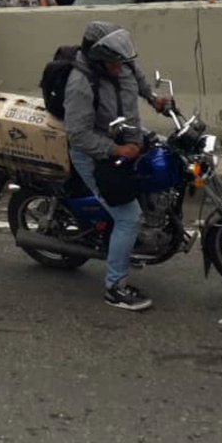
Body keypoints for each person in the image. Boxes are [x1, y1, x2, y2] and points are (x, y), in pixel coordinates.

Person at [64, 21, 168, 312]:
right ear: (98, 61)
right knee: (128, 218)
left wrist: (155, 99)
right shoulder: (80, 84)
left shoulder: (122, 63)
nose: (119, 67)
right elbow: (78, 135)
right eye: (113, 63)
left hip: (128, 138)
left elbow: (140, 81)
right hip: (95, 153)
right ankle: (115, 287)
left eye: (122, 61)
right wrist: (116, 149)